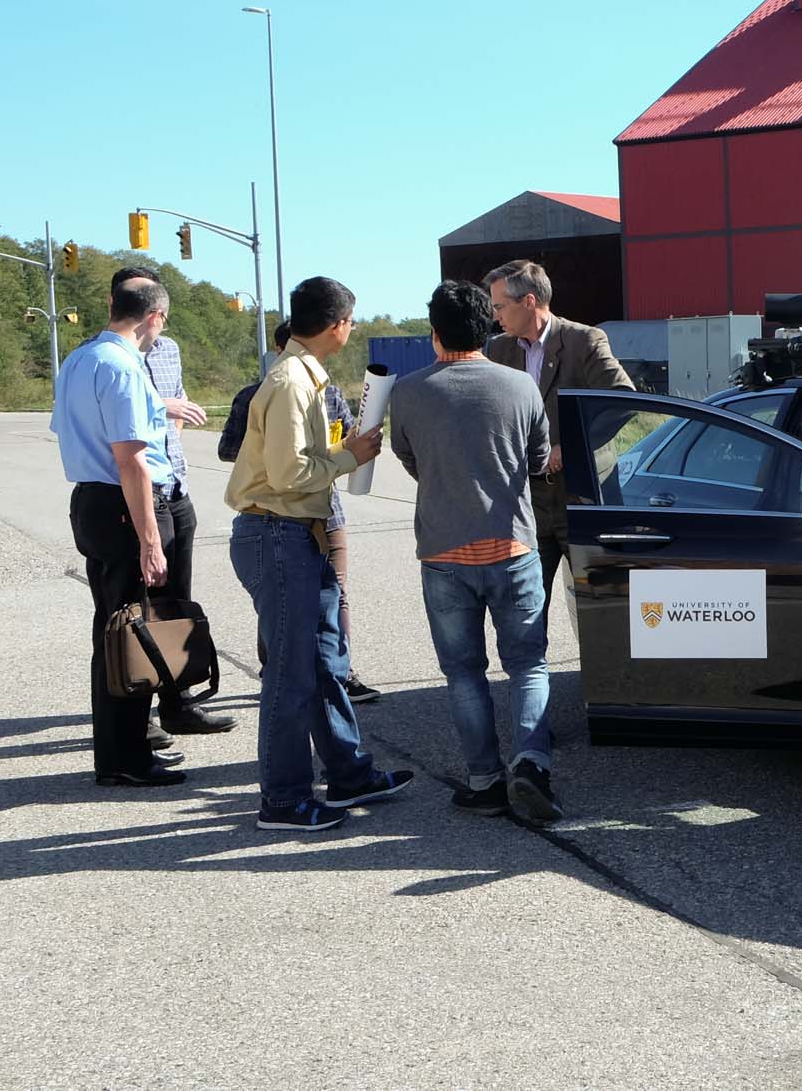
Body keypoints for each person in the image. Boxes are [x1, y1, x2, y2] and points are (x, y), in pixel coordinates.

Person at [225, 277, 411, 833]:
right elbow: (289, 474)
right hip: (277, 532)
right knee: (290, 675)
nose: (350, 330)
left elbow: (299, 459)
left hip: (299, 533)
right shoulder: (291, 382)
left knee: (325, 659)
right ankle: (283, 801)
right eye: (350, 322)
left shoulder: (303, 376)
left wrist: (344, 449)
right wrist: (349, 458)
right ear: (337, 325)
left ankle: (348, 773)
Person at [390, 281, 562, 825]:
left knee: (464, 673)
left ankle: (484, 781)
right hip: (513, 546)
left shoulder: (408, 392)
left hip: (444, 553)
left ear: (434, 334)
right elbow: (539, 459)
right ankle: (531, 763)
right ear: (487, 329)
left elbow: (410, 459)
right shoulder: (520, 386)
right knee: (528, 664)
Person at [49, 273, 188, 786]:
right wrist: (151, 541)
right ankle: (126, 758)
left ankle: (118, 752)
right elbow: (131, 460)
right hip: (124, 504)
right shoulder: (123, 366)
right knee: (131, 633)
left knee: (111, 632)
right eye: (162, 321)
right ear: (154, 316)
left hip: (92, 499)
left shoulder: (78, 359)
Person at [218, 321, 379, 704]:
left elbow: (342, 443)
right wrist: (271, 450)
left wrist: (348, 450)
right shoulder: (266, 392)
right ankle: (274, 668)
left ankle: (342, 674)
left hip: (326, 512)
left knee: (334, 598)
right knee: (282, 614)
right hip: (280, 515)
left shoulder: (329, 392)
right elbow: (231, 450)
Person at [110, 267, 236, 737]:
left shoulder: (168, 349)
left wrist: (173, 430)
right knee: (137, 607)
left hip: (174, 483)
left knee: (176, 602)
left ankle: (178, 702)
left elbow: (179, 405)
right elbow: (124, 416)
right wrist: (165, 407)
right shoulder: (111, 356)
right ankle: (137, 712)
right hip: (136, 489)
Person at [483, 259, 634, 599]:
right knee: (524, 603)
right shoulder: (498, 349)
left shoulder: (584, 340)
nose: (495, 315)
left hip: (582, 497)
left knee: (601, 603)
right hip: (527, 500)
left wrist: (569, 448)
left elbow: (622, 400)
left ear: (529, 301)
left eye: (500, 306)